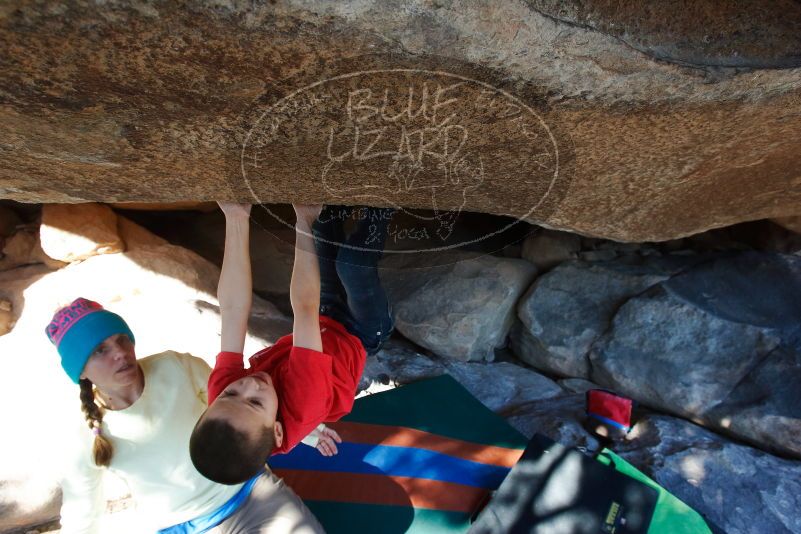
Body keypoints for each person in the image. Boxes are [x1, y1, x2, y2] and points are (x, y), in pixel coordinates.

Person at [47, 243, 324, 531]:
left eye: (121, 339)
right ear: (81, 372)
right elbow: (82, 508)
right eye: (99, 351)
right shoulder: (85, 432)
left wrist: (309, 430)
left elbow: (245, 404)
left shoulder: (173, 366)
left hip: (248, 496)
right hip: (178, 526)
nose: (119, 352)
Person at [190, 203, 394, 485]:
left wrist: (236, 217)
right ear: (277, 430)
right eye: (255, 402)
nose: (248, 384)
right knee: (351, 264)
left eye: (230, 394)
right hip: (360, 332)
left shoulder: (226, 406)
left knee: (324, 224)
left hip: (325, 318)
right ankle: (382, 203)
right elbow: (304, 306)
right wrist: (302, 219)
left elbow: (233, 308)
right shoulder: (303, 402)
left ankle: (342, 194)